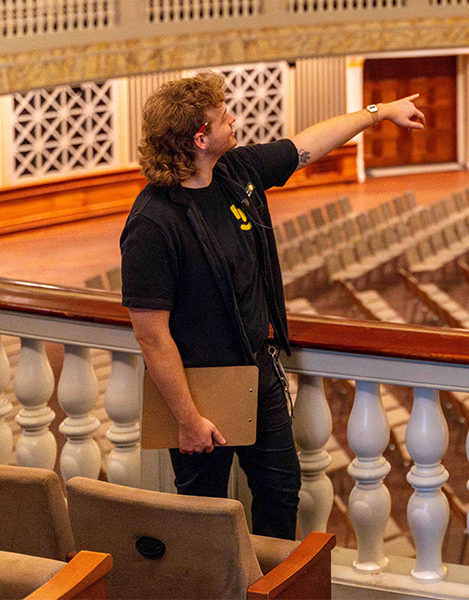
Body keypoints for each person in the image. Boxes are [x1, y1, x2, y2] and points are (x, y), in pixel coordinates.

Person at [120, 72, 425, 539]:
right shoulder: (153, 222)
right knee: (205, 518)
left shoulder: (235, 172)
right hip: (199, 387)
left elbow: (305, 146)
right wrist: (188, 419)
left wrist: (378, 113)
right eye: (224, 117)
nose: (234, 118)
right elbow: (151, 335)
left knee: (281, 494)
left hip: (258, 374)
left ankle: (269, 588)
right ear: (200, 138)